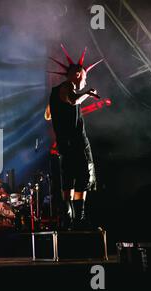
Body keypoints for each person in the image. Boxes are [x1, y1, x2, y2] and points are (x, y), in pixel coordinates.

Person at [46, 45, 102, 230]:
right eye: (85, 76)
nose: (85, 81)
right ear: (78, 74)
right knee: (83, 178)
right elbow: (73, 100)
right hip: (76, 143)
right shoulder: (68, 87)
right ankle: (79, 219)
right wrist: (88, 94)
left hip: (65, 144)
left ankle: (68, 220)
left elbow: (47, 115)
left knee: (69, 180)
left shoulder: (55, 92)